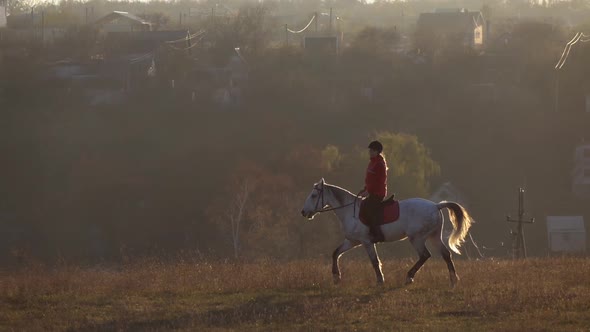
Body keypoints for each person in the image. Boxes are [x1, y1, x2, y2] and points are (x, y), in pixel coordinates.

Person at [360, 140, 388, 243]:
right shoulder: (372, 162)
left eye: (372, 150)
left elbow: (379, 181)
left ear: (377, 151)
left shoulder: (380, 164)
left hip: (378, 193)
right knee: (363, 206)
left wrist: (368, 191)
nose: (370, 152)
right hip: (371, 191)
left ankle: (378, 234)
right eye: (370, 150)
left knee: (369, 209)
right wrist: (365, 188)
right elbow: (370, 179)